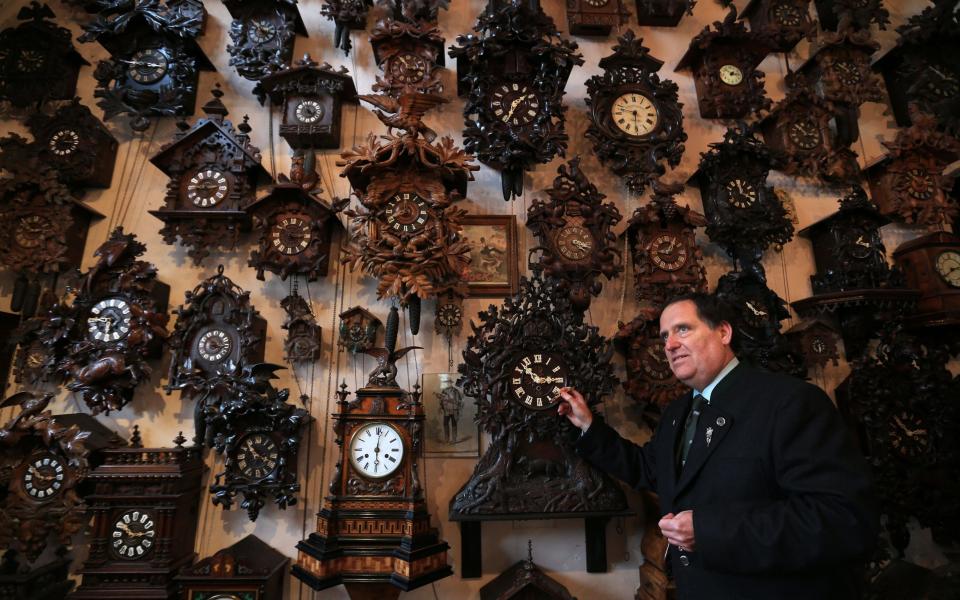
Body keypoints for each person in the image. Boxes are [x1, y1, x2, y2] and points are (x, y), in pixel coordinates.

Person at [558, 292, 878, 599]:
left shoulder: (790, 403)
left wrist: (709, 531)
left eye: (683, 329)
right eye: (664, 335)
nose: (669, 344)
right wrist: (588, 425)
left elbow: (841, 520)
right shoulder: (677, 414)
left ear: (723, 332)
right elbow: (649, 470)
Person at [436, 373, 463, 444]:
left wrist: (449, 400)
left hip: (454, 411)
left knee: (454, 424)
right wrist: (441, 406)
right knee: (445, 424)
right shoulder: (444, 391)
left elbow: (458, 401)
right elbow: (441, 401)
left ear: (451, 383)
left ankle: (454, 439)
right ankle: (446, 439)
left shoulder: (456, 391)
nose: (448, 384)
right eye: (446, 383)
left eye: (449, 382)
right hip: (446, 411)